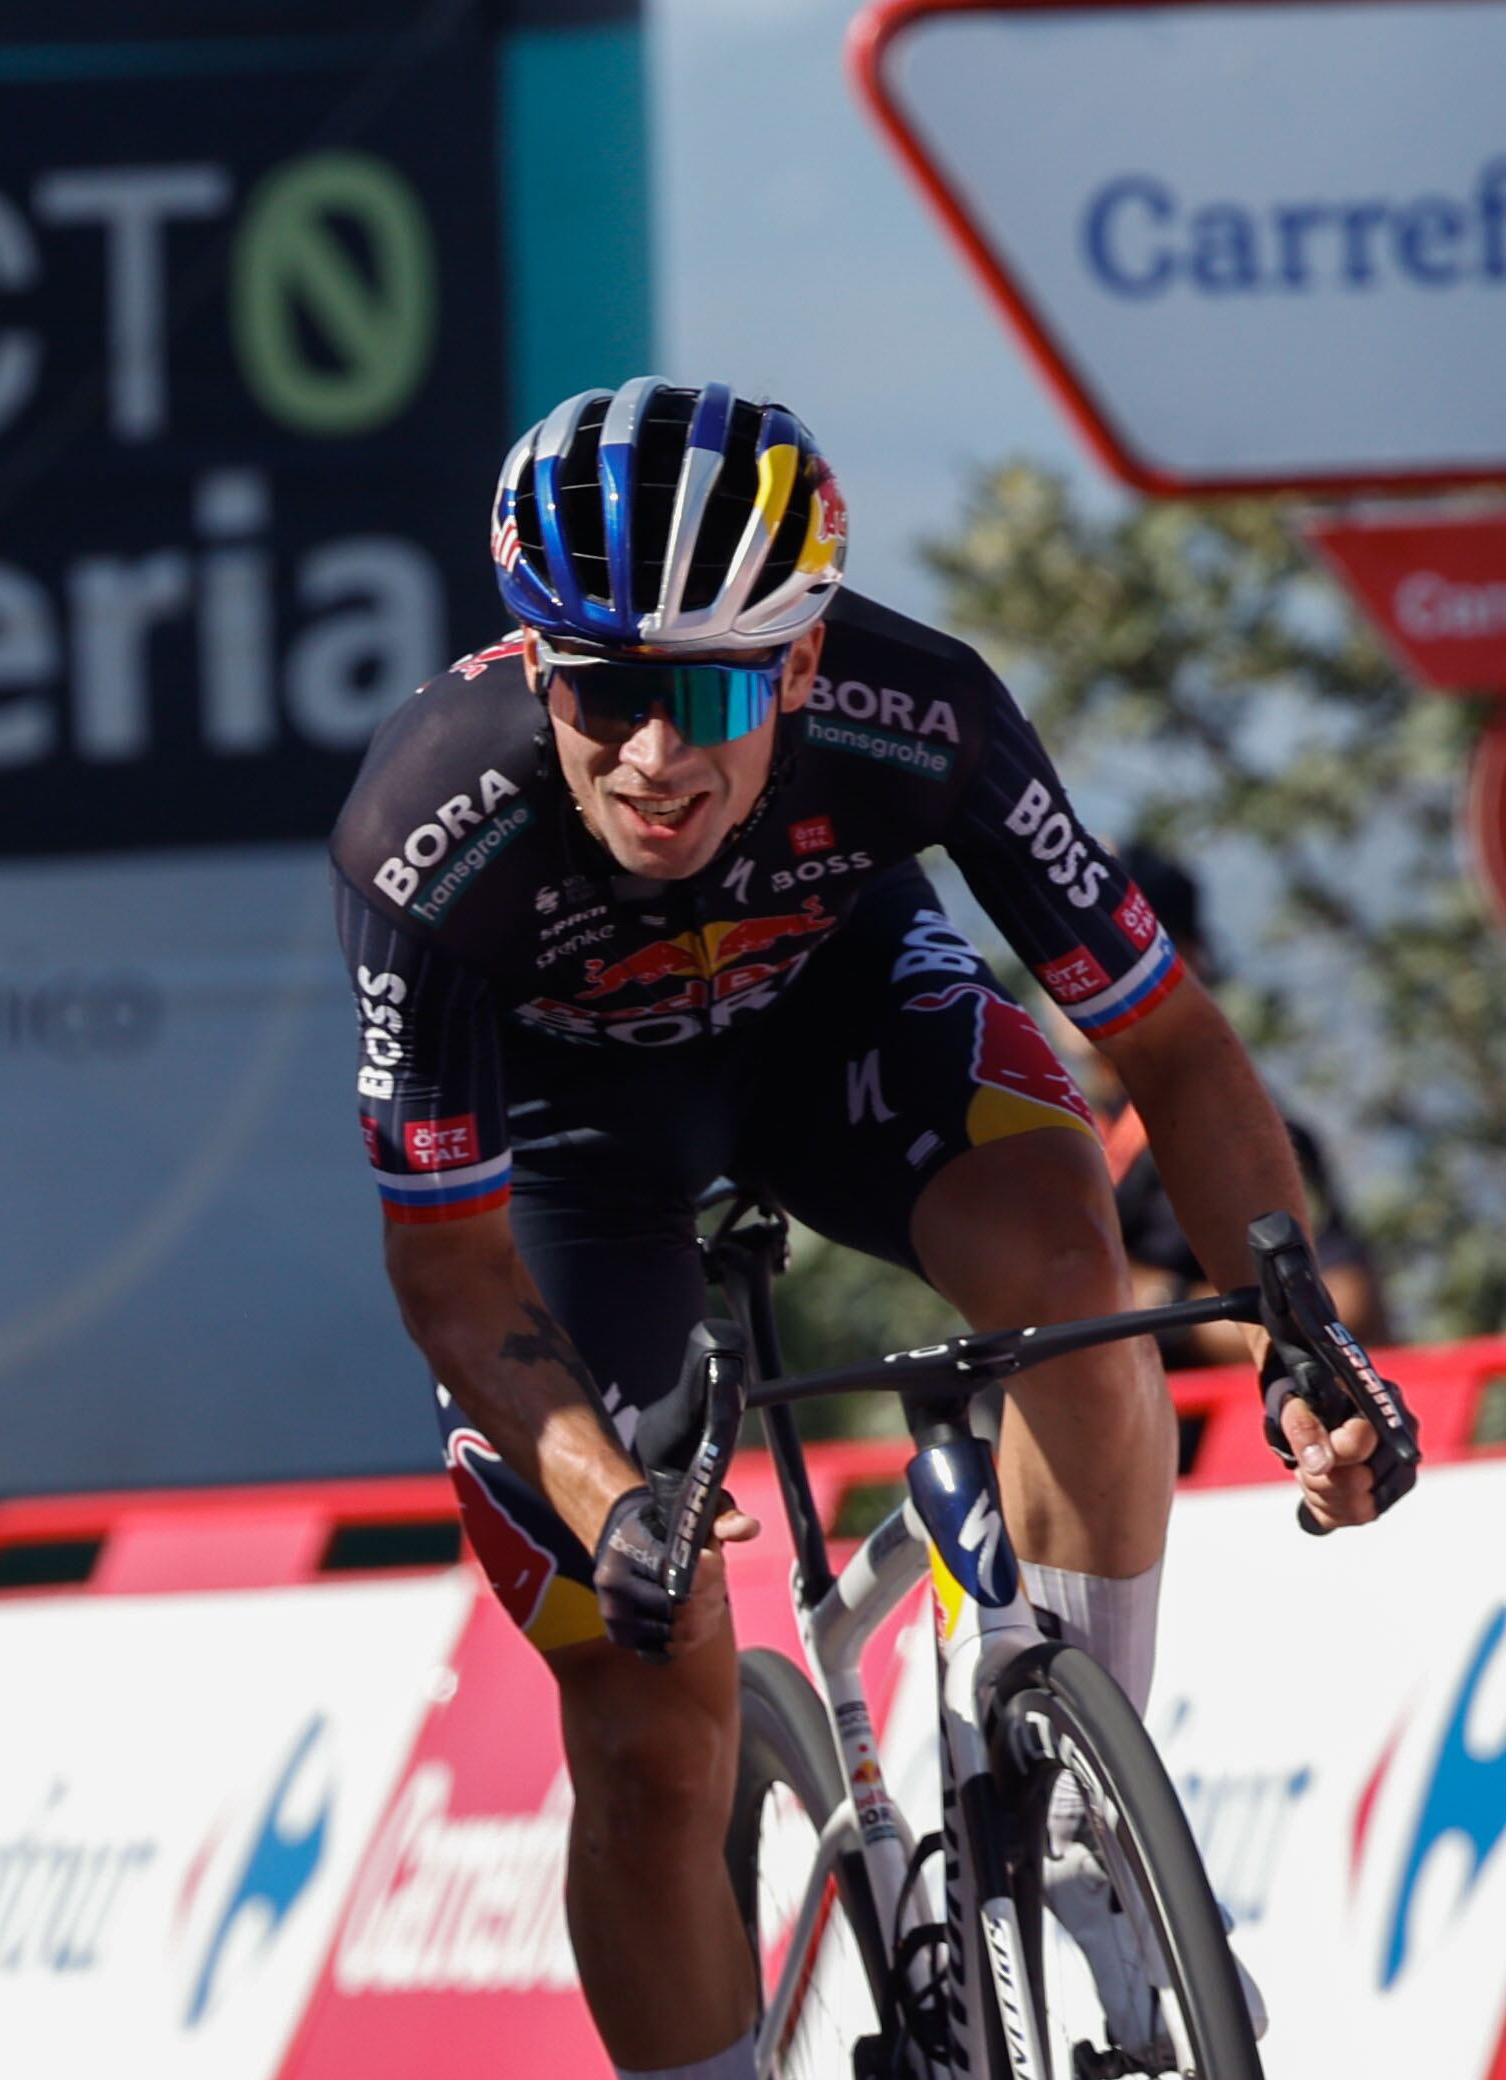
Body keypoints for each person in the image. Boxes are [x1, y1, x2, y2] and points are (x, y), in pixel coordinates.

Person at [331, 378, 1407, 2079]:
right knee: (647, 1727)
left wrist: (1299, 1337)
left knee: (1067, 1264)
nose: (655, 755)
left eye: (709, 692)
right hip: (571, 1153)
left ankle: (1079, 1848)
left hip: (834, 1034)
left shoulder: (925, 716)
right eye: (606, 696)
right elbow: (447, 1270)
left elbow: (1172, 1045)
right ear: (539, 672)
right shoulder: (427, 837)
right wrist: (617, 1516)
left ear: (808, 667)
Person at [1057, 844, 1391, 1366]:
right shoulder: (1056, 1124)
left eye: (1090, 949)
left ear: (1181, 962)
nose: (1061, 973)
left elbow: (1343, 1305)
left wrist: (1153, 1303)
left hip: (1200, 1433)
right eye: (1047, 948)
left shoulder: (1236, 1129)